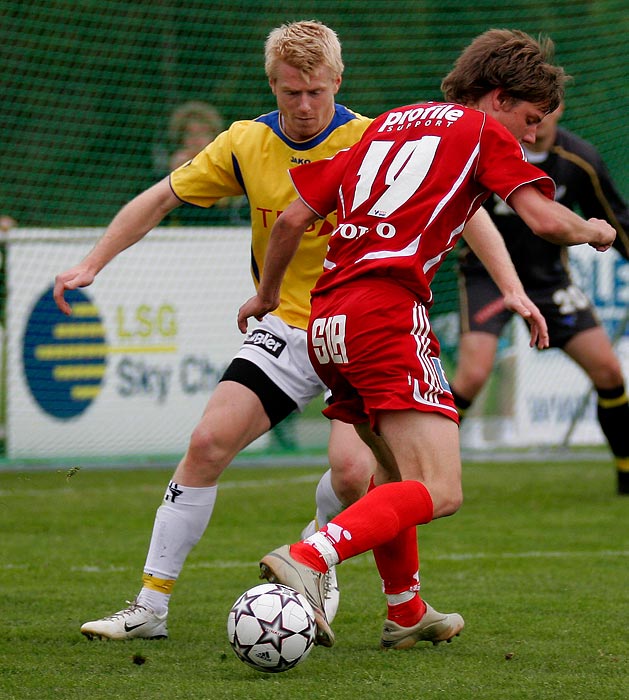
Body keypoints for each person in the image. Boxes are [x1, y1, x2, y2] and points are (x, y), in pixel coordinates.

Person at [237, 29, 616, 650]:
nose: (529, 136)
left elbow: (297, 218)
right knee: (440, 490)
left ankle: (406, 612)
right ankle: (309, 556)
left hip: (328, 319)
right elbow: (545, 221)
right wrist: (595, 231)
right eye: (528, 120)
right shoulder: (484, 133)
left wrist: (266, 295)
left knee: (393, 477)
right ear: (498, 97)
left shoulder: (385, 125)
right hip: (386, 311)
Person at [53, 20, 380, 643]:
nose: (305, 106)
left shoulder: (375, 142)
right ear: (273, 85)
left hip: (358, 329)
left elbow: (462, 210)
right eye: (291, 93)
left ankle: (317, 557)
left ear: (338, 80)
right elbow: (158, 199)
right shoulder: (244, 143)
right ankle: (150, 606)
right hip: (285, 325)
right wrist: (92, 263)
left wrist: (509, 286)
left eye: (316, 92)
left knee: (348, 474)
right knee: (206, 443)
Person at [451, 103, 629, 495]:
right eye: (532, 109)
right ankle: (426, 468)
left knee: (609, 372)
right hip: (488, 277)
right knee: (473, 374)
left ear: (561, 107)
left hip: (549, 282)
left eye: (548, 107)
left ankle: (626, 470)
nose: (540, 119)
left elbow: (614, 218)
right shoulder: (491, 149)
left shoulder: (580, 159)